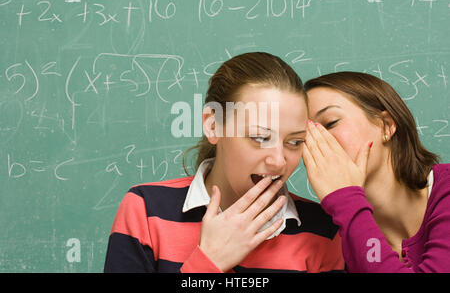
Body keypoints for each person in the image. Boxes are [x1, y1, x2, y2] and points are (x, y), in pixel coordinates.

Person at [104, 52, 344, 273]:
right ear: (213, 125)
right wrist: (209, 262)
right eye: (260, 138)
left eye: (294, 142)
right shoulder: (146, 211)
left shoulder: (323, 231)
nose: (279, 161)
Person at [302, 71, 450, 272]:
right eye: (303, 136)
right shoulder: (332, 236)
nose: (317, 142)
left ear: (386, 126)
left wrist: (345, 199)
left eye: (330, 123)